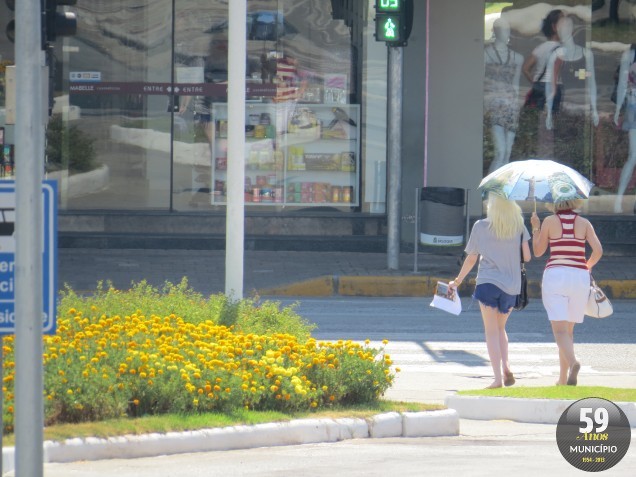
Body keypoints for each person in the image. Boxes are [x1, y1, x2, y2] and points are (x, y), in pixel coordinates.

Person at [450, 194, 531, 389]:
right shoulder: (518, 225)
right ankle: (507, 367)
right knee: (501, 328)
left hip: (487, 283)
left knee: (491, 332)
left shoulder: (480, 226)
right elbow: (527, 257)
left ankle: (497, 378)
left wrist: (458, 280)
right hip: (512, 286)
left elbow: (471, 258)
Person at [530, 199, 603, 386]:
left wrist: (535, 228)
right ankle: (562, 379)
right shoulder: (584, 223)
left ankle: (573, 363)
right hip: (579, 277)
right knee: (568, 333)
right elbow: (598, 251)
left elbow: (538, 252)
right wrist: (587, 266)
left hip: (556, 275)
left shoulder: (549, 221)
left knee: (559, 331)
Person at [545, 16, 599, 131]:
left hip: (583, 107)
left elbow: (591, 81)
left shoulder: (586, 54)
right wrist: (549, 113)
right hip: (565, 107)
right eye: (559, 28)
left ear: (571, 28)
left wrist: (594, 109)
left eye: (564, 27)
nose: (561, 31)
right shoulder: (555, 55)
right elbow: (550, 85)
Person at [484, 17, 524, 173]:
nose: (505, 32)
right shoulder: (486, 55)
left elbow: (516, 85)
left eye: (507, 29)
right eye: (501, 29)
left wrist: (517, 106)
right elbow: (482, 83)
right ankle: (486, 191)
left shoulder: (517, 58)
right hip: (494, 106)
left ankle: (500, 191)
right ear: (495, 31)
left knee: (507, 153)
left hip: (511, 107)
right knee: (500, 152)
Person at [521, 9, 563, 111]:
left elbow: (525, 68)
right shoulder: (563, 49)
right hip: (555, 86)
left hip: (540, 85)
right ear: (554, 27)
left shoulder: (540, 48)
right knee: (553, 119)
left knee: (534, 115)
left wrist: (535, 82)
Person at [612, 45, 636, 213]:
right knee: (634, 155)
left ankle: (618, 200)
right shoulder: (630, 54)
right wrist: (618, 108)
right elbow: (622, 83)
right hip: (634, 106)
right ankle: (618, 200)